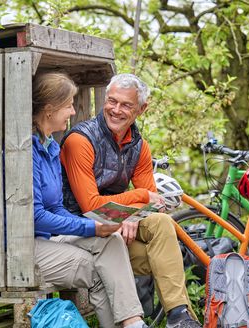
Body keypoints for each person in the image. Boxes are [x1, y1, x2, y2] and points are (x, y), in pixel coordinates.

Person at [60, 73, 201, 328]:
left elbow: (153, 203)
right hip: (81, 232)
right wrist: (138, 199)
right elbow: (92, 206)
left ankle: (180, 317)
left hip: (114, 232)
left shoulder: (139, 146)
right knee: (162, 257)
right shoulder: (80, 141)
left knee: (161, 222)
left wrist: (133, 214)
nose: (116, 110)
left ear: (141, 109)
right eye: (112, 101)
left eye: (126, 105)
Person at [32, 72, 149, 328]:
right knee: (98, 269)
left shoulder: (51, 146)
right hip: (26, 247)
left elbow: (55, 207)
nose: (73, 112)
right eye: (68, 106)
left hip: (50, 237)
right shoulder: (28, 150)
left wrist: (101, 228)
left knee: (111, 240)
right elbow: (37, 215)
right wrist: (90, 226)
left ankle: (133, 323)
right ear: (50, 110)